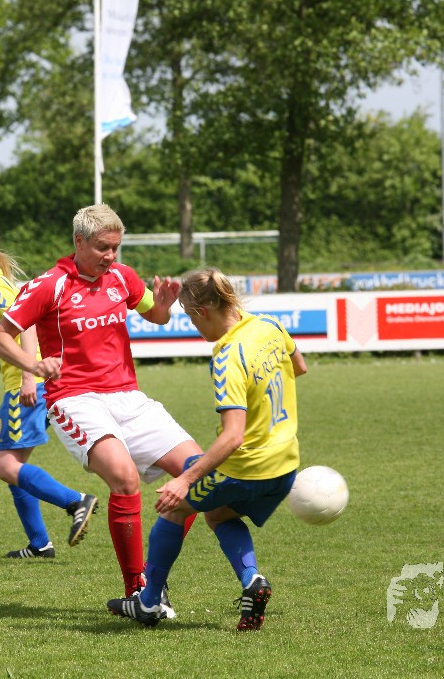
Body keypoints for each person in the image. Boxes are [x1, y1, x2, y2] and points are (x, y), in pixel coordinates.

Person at [0, 204, 203, 604]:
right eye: (103, 247)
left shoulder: (122, 276)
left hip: (128, 396)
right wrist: (33, 366)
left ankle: (153, 584)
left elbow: (155, 317)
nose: (111, 255)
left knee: (198, 475)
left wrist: (163, 305)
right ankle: (136, 589)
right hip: (75, 399)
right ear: (79, 241)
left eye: (116, 247)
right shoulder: (49, 285)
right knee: (124, 479)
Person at [106, 267, 308, 631]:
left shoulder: (227, 356)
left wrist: (184, 479)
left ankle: (148, 602)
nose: (194, 325)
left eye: (189, 317)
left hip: (245, 468)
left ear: (202, 311)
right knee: (219, 515)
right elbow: (300, 367)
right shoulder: (270, 326)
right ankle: (252, 582)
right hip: (285, 465)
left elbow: (233, 437)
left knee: (173, 509)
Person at [0, 225, 99, 558]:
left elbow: (28, 322)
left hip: (27, 385)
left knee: (7, 466)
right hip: (36, 381)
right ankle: (39, 544)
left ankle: (76, 502)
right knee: (15, 469)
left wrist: (26, 375)